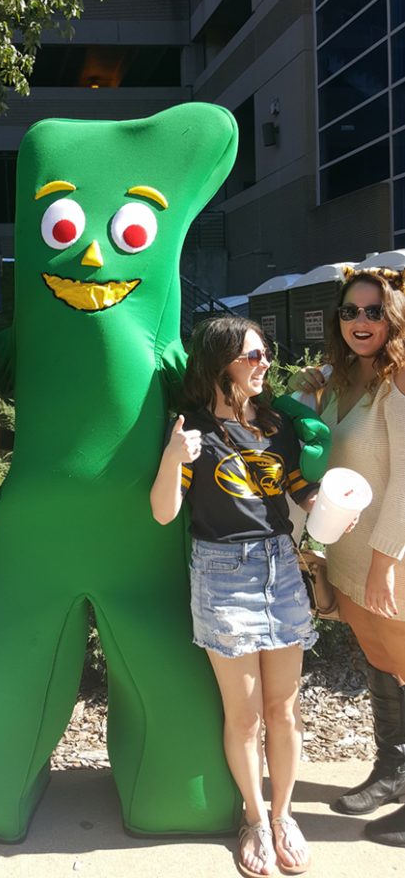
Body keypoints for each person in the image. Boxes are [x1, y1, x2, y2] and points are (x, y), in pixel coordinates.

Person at [150, 317, 319, 878]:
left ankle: (283, 815)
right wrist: (175, 455)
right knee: (244, 716)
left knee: (284, 709)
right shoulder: (191, 429)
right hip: (223, 572)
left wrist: (332, 501)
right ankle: (253, 818)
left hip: (281, 568)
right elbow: (163, 512)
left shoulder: (275, 424)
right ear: (220, 362)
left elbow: (301, 495)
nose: (263, 364)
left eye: (265, 354)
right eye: (252, 356)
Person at [289, 266, 405, 849]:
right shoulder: (339, 381)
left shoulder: (400, 379)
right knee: (381, 659)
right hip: (348, 552)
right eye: (349, 312)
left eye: (373, 311)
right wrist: (307, 392)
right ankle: (393, 770)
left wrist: (388, 558)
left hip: (392, 553)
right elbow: (297, 434)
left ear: (393, 317)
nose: (360, 321)